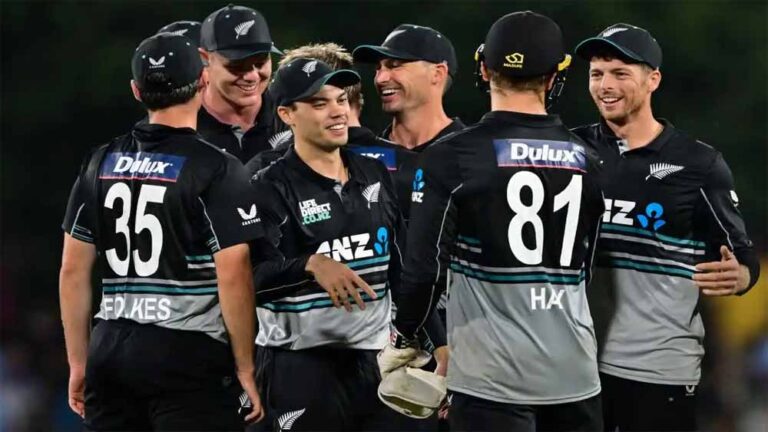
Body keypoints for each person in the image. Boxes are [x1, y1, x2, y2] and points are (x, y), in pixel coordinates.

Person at [377, 11, 606, 432]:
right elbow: (587, 268)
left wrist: (405, 336)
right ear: (553, 77)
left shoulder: (452, 157)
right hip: (575, 375)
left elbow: (423, 271)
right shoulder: (587, 158)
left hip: (490, 381)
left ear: (483, 69)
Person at [59, 33, 264, 431]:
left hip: (110, 348)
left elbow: (72, 270)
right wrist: (245, 366)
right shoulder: (217, 167)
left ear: (136, 90)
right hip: (187, 354)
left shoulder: (100, 160)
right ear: (203, 81)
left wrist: (79, 363)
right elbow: (234, 272)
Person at [572, 23, 761, 431]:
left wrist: (741, 275)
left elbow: (742, 253)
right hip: (574, 366)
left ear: (653, 79)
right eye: (596, 74)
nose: (605, 85)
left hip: (658, 371)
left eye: (620, 73)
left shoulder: (698, 164)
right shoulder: (569, 153)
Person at [248, 57, 424, 431]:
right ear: (287, 114)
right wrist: (309, 265)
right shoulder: (267, 186)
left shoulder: (374, 172)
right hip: (300, 365)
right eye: (319, 103)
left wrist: (436, 343)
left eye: (341, 100)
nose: (337, 111)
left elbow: (400, 266)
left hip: (378, 361)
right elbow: (248, 280)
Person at [197, 4, 286, 163]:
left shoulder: (292, 118)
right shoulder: (180, 125)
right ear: (205, 58)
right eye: (237, 66)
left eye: (260, 63)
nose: (252, 76)